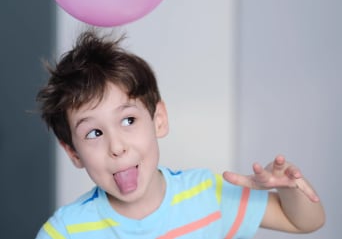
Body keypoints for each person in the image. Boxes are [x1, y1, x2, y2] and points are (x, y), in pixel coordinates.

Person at [35, 30, 325, 239]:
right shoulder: (65, 231)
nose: (117, 147)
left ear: (158, 120)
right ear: (73, 152)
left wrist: (289, 188)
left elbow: (303, 223)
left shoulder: (208, 195)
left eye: (128, 120)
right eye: (94, 132)